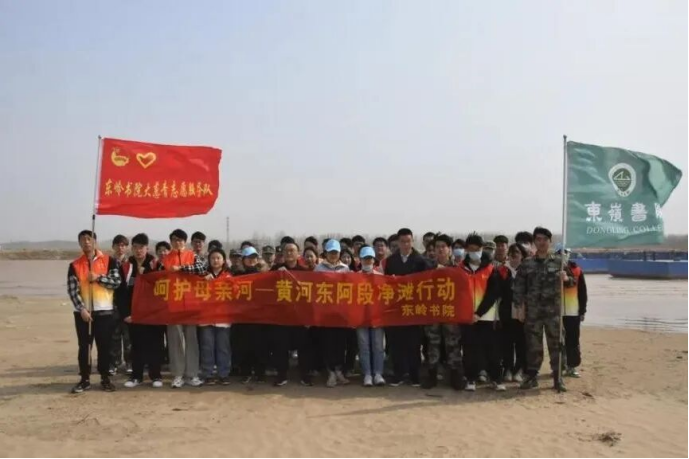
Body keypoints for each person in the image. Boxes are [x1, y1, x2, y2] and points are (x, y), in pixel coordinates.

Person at [514, 227, 575, 392]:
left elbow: (572, 281)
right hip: (533, 313)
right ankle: (532, 376)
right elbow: (519, 287)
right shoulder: (527, 263)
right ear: (534, 242)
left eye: (544, 240)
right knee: (533, 346)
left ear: (550, 241)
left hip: (553, 313)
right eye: (538, 239)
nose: (541, 243)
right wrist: (519, 307)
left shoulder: (559, 261)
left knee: (557, 345)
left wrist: (566, 278)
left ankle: (558, 377)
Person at [67, 230, 122, 394]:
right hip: (84, 314)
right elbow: (73, 290)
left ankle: (105, 378)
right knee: (84, 347)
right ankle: (84, 379)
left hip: (105, 312)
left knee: (105, 347)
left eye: (89, 239)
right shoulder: (75, 265)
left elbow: (116, 282)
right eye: (83, 239)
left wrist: (98, 277)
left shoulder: (109, 261)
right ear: (79, 243)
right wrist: (82, 309)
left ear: (95, 241)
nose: (86, 242)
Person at [161, 229, 205, 389]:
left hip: (191, 304)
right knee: (175, 341)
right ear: (171, 242)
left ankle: (192, 374)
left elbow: (201, 270)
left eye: (180, 240)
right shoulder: (165, 259)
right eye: (174, 240)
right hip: (173, 304)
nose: (177, 242)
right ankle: (178, 375)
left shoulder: (193, 256)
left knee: (192, 341)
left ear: (185, 242)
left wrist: (181, 268)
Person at [461, 233, 505, 392]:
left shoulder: (491, 269)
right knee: (470, 349)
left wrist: (479, 313)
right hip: (467, 317)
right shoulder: (460, 269)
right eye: (471, 249)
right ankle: (470, 378)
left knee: (492, 349)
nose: (475, 252)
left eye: (477, 249)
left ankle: (496, 379)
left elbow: (493, 294)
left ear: (482, 249)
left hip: (486, 316)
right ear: (467, 250)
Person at [385, 228, 428, 387]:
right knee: (397, 343)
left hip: (414, 307)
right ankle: (398, 375)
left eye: (408, 241)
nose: (405, 244)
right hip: (397, 307)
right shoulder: (391, 261)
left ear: (412, 241)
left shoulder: (420, 260)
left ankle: (414, 375)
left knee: (414, 343)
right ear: (398, 242)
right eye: (402, 242)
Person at [122, 233, 165, 389]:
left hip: (154, 314)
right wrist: (126, 313)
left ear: (147, 248)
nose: (138, 250)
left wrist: (145, 274)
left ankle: (156, 375)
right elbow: (121, 293)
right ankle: (136, 376)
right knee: (137, 345)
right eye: (135, 247)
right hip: (135, 314)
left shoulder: (156, 265)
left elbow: (164, 285)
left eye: (141, 247)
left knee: (155, 345)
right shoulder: (126, 267)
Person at [424, 234, 465, 391]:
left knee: (453, 343)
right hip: (433, 311)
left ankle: (455, 376)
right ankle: (432, 376)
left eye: (443, 246)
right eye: (437, 247)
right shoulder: (428, 267)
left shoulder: (458, 268)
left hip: (450, 312)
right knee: (433, 343)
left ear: (449, 249)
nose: (440, 250)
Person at [271, 241, 313, 387]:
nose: (289, 253)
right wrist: (277, 275)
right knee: (280, 347)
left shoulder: (305, 272)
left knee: (304, 347)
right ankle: (281, 375)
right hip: (281, 316)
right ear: (282, 253)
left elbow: (311, 295)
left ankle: (305, 375)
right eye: (286, 251)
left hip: (300, 316)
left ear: (298, 253)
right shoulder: (275, 270)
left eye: (292, 250)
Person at [315, 239, 351, 388]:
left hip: (341, 313)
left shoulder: (345, 269)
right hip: (326, 313)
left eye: (335, 252)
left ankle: (339, 371)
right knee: (328, 343)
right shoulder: (318, 269)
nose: (333, 255)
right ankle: (330, 372)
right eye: (330, 252)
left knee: (340, 343)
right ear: (326, 253)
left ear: (339, 253)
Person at [234, 247, 269, 384]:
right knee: (244, 346)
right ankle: (246, 372)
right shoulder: (237, 275)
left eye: (254, 257)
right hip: (243, 317)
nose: (252, 260)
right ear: (243, 260)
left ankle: (260, 373)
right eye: (249, 258)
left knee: (260, 346)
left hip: (259, 317)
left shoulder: (263, 275)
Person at [198, 248, 232, 386]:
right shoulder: (202, 276)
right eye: (212, 258)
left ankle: (224, 374)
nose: (215, 260)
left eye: (218, 258)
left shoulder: (229, 276)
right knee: (207, 347)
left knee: (223, 347)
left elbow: (236, 293)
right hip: (206, 318)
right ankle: (208, 373)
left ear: (223, 260)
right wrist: (203, 281)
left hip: (223, 319)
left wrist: (230, 284)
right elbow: (195, 292)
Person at [497, 244, 528, 384]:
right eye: (511, 253)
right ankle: (508, 369)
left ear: (522, 255)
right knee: (507, 343)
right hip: (506, 312)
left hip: (523, 312)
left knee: (522, 343)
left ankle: (519, 369)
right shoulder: (501, 270)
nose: (514, 255)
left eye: (517, 253)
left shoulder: (527, 271)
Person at [556, 245, 588, 379]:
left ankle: (572, 366)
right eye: (560, 253)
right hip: (556, 312)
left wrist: (582, 310)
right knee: (557, 341)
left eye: (566, 253)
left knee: (573, 341)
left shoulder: (577, 270)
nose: (563, 255)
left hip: (572, 312)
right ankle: (558, 367)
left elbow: (582, 292)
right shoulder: (551, 269)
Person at [356, 246, 386, 387]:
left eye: (370, 259)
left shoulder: (380, 277)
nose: (368, 261)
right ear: (360, 260)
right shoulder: (354, 277)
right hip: (360, 317)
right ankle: (367, 374)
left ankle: (378, 373)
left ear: (374, 260)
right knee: (364, 346)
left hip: (376, 316)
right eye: (365, 259)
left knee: (378, 345)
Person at [110, 234, 131, 376]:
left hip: (127, 305)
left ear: (126, 247)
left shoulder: (131, 263)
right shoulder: (108, 262)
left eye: (123, 245)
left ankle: (129, 362)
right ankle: (114, 363)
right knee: (114, 336)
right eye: (117, 245)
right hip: (111, 304)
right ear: (113, 246)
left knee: (128, 336)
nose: (120, 248)